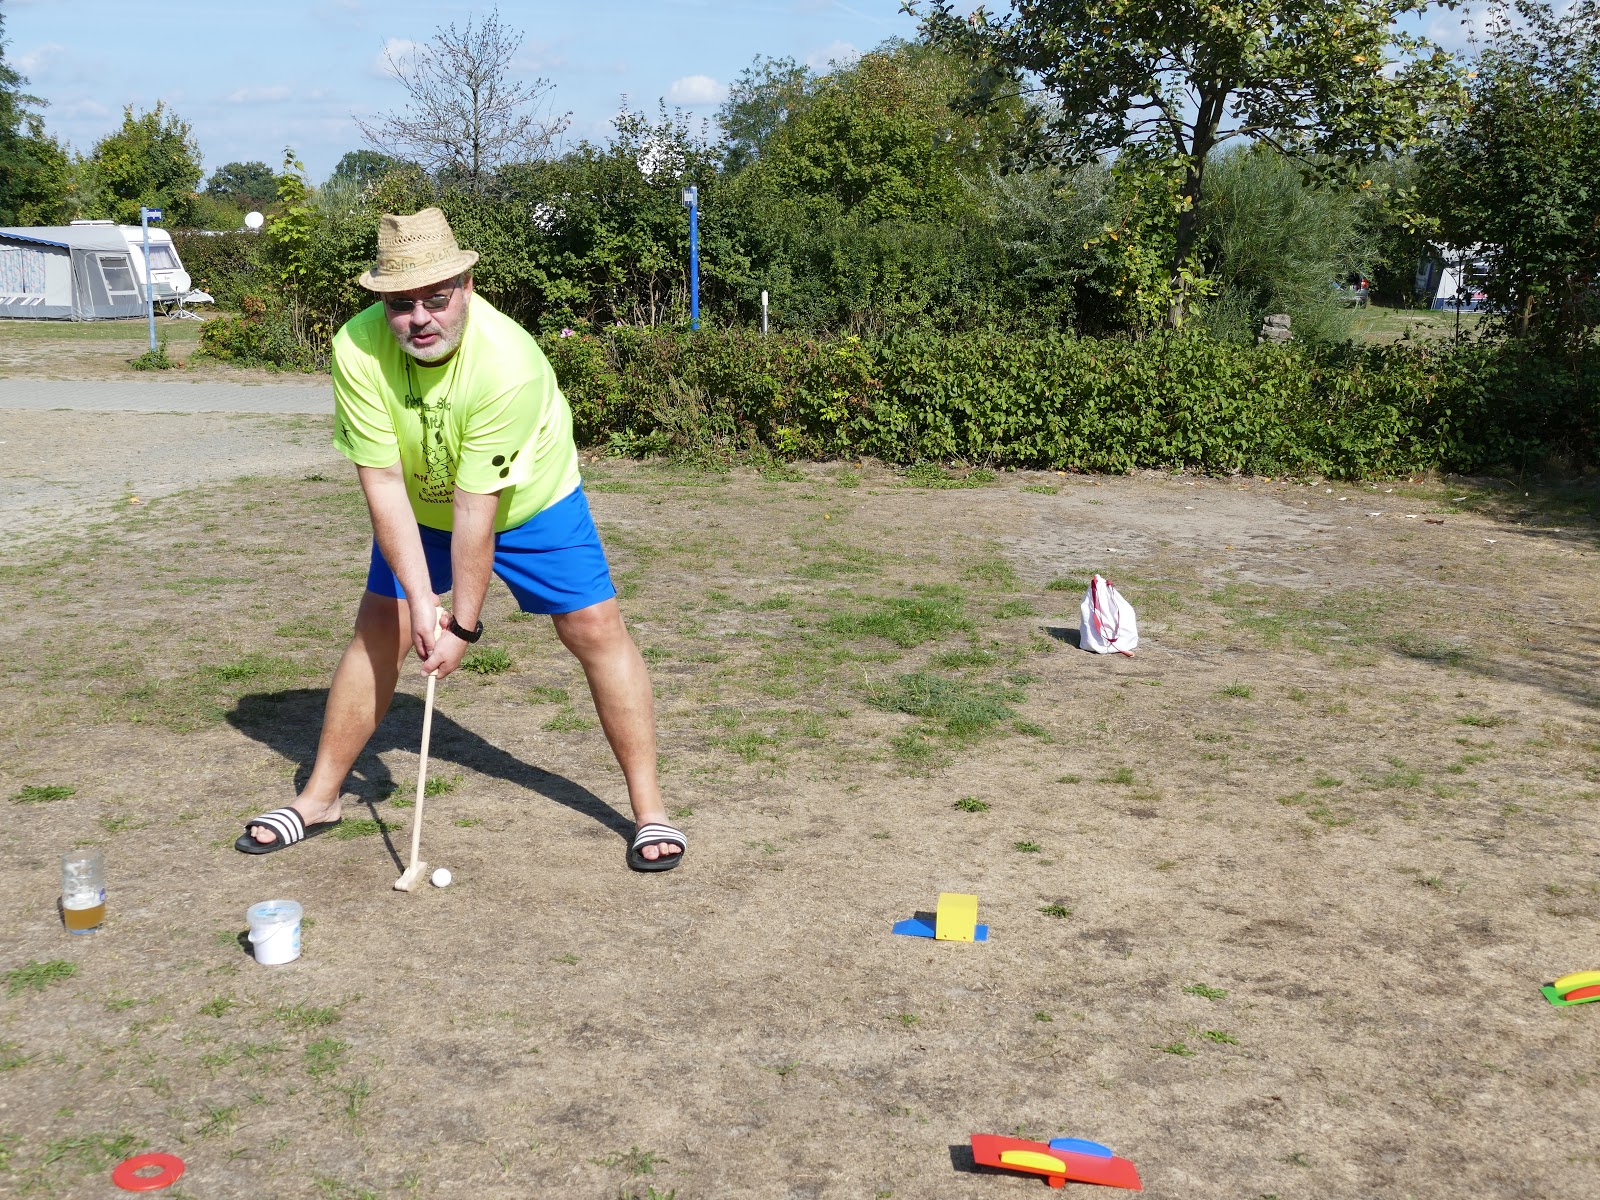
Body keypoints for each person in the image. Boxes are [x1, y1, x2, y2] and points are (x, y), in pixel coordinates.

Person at [235, 208, 684, 872]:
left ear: (467, 287)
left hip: (531, 502)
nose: (419, 318)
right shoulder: (356, 347)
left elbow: (479, 509)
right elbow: (382, 481)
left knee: (594, 627)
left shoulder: (507, 362)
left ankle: (650, 811)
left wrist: (463, 628)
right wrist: (422, 604)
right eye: (400, 303)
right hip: (419, 502)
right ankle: (320, 799)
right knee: (381, 627)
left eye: (436, 299)